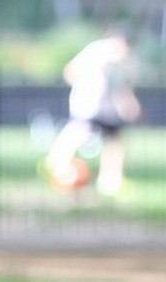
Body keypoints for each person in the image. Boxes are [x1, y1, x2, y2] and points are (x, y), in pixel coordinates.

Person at [44, 29, 140, 197]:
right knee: (77, 134)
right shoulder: (95, 52)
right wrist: (88, 84)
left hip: (109, 110)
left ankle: (110, 181)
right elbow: (70, 71)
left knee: (115, 142)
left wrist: (130, 107)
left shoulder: (124, 62)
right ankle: (58, 167)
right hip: (89, 105)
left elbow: (123, 89)